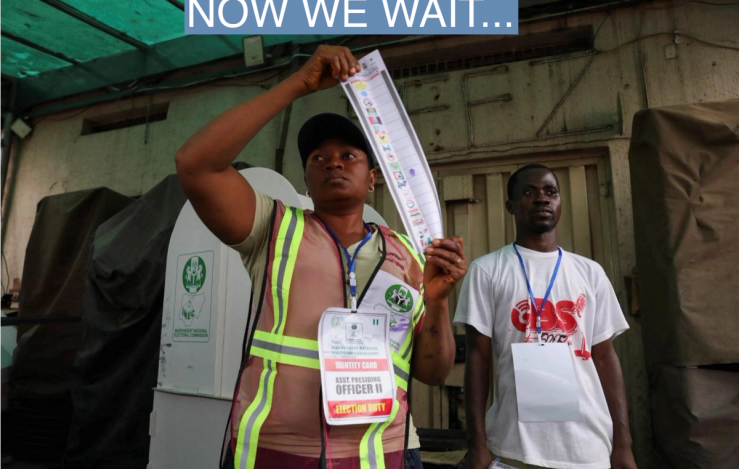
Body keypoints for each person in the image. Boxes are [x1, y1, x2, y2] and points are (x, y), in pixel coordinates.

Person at [175, 45, 468, 469]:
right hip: (274, 452)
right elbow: (195, 164)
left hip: (382, 453)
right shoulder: (273, 227)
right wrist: (297, 85)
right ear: (307, 181)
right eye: (319, 158)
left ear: (372, 179)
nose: (333, 162)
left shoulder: (408, 254)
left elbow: (433, 373)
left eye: (349, 156)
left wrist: (438, 301)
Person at [455, 164, 637, 469]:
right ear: (510, 206)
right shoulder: (487, 270)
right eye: (529, 192)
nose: (542, 199)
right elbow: (478, 358)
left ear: (560, 203)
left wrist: (623, 444)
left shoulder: (589, 273)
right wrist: (477, 445)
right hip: (514, 447)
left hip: (588, 448)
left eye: (550, 191)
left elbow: (605, 358)